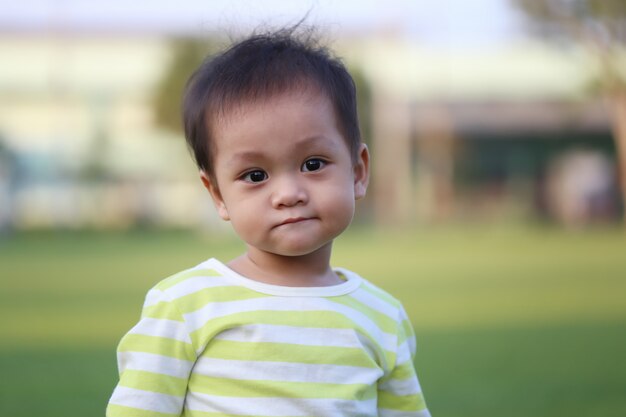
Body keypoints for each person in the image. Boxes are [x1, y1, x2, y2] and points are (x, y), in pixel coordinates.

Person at [107, 27, 431, 417]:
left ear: (358, 171)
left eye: (313, 165)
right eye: (255, 175)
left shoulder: (383, 317)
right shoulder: (186, 305)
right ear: (218, 195)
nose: (288, 193)